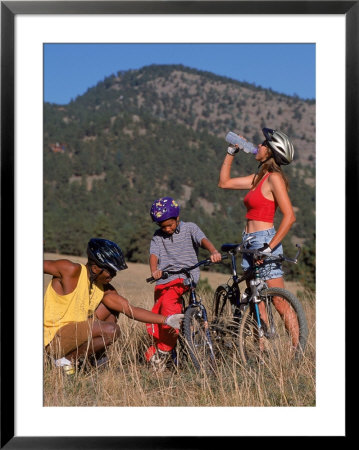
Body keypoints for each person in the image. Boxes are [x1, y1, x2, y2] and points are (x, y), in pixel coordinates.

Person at [44, 238, 184, 373]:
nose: (114, 275)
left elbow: (131, 310)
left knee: (111, 310)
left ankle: (95, 360)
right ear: (95, 268)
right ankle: (64, 362)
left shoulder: (104, 288)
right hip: (54, 339)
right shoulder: (70, 270)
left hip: (76, 335)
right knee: (112, 330)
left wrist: (166, 320)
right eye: (110, 271)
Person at [218, 127, 299, 346]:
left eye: (264, 144)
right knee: (257, 303)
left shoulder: (274, 179)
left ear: (271, 151)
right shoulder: (258, 178)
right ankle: (261, 354)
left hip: (264, 240)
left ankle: (298, 352)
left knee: (280, 302)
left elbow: (289, 217)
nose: (259, 146)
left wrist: (270, 247)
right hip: (248, 242)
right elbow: (224, 183)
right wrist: (231, 152)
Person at [145, 196, 222, 370]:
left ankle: (163, 350)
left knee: (168, 305)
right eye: (163, 226)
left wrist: (213, 251)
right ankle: (167, 346)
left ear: (177, 218)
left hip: (186, 276)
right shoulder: (158, 236)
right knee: (158, 310)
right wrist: (154, 270)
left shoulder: (190, 228)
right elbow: (153, 254)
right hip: (165, 278)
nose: (167, 229)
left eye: (170, 225)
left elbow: (203, 240)